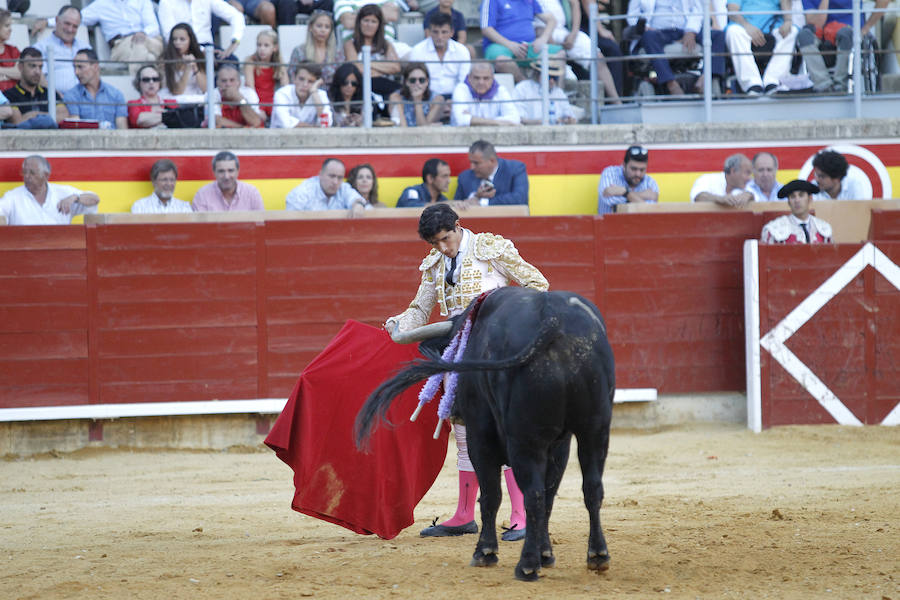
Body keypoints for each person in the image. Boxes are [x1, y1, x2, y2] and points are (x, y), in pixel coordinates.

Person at [384, 202, 549, 541]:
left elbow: (537, 284)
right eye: (435, 243)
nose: (443, 248)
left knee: (503, 432)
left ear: (458, 226)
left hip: (496, 354)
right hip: (457, 355)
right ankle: (464, 514)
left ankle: (520, 514)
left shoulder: (491, 249)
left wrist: (503, 317)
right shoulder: (434, 263)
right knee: (464, 436)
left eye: (446, 238)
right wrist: (397, 324)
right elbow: (420, 309)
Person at [626, 0, 727, 96]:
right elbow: (632, 15)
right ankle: (671, 84)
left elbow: (697, 8)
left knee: (718, 36)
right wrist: (645, 27)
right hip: (657, 31)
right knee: (648, 36)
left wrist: (691, 31)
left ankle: (705, 79)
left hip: (684, 29)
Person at [797, 0, 889, 92]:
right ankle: (823, 85)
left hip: (848, 30)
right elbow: (816, 23)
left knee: (845, 34)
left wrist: (866, 28)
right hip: (821, 33)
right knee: (803, 35)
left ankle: (840, 85)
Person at [0, 155, 100, 225]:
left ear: (46, 175)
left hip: (60, 250)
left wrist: (75, 198)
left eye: (32, 173)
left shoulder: (63, 192)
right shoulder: (12, 197)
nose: (27, 176)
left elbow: (95, 199)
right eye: (24, 172)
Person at [725, 0, 798, 95]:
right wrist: (747, 26)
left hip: (773, 28)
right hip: (744, 27)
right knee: (733, 31)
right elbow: (732, 10)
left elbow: (786, 3)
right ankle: (752, 84)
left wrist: (788, 21)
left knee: (792, 31)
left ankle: (773, 82)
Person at [480, 0, 563, 83]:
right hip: (500, 46)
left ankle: (558, 94)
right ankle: (525, 87)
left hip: (528, 46)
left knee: (561, 54)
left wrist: (543, 39)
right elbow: (486, 29)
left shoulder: (530, 1)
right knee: (502, 61)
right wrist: (510, 45)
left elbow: (551, 20)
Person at [81, 0, 164, 76]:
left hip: (148, 39)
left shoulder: (142, 1)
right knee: (150, 58)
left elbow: (153, 27)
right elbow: (78, 18)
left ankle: (140, 83)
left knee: (152, 47)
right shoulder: (101, 4)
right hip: (122, 44)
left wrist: (143, 34)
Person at [407, 13, 471, 100]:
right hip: (426, 97)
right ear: (429, 32)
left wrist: (455, 100)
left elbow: (464, 81)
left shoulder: (462, 51)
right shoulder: (418, 50)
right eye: (435, 32)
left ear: (452, 32)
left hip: (455, 97)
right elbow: (414, 80)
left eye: (444, 32)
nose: (440, 37)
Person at [343, 4, 401, 98]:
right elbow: (356, 69)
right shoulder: (350, 44)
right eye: (366, 20)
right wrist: (384, 69)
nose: (369, 25)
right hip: (361, 85)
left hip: (384, 85)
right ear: (359, 22)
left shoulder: (386, 44)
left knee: (401, 92)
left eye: (373, 21)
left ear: (379, 25)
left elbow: (396, 67)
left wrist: (367, 63)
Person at [3, 47, 69, 129]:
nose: (37, 72)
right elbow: (17, 122)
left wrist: (34, 115)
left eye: (40, 67)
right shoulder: (8, 95)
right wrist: (49, 116)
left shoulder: (50, 93)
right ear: (20, 67)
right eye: (32, 66)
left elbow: (64, 116)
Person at [158, 0, 245, 60]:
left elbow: (236, 16)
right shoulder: (166, 2)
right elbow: (169, 36)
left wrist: (235, 40)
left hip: (208, 47)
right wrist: (202, 51)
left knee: (230, 62)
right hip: (180, 48)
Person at [63, 49, 128, 129]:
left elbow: (122, 129)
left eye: (80, 67)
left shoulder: (116, 95)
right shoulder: (71, 95)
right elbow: (76, 128)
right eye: (75, 67)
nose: (76, 72)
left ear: (95, 67)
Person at [33, 5, 91, 94]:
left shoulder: (85, 47)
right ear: (56, 20)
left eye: (75, 26)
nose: (70, 29)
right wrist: (58, 97)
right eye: (67, 24)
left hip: (86, 100)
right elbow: (40, 80)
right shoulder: (41, 48)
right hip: (58, 102)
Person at [454, 139, 529, 206]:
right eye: (471, 162)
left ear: (492, 161)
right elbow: (456, 205)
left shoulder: (515, 169)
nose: (472, 167)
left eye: (476, 163)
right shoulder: (464, 178)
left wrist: (482, 203)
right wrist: (476, 196)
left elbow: (519, 199)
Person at [285, 157, 367, 215]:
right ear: (320, 174)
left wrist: (358, 205)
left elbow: (356, 198)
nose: (335, 182)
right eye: (332, 176)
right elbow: (291, 223)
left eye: (340, 177)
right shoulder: (302, 193)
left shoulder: (343, 188)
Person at [450, 61, 521, 127]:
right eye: (476, 78)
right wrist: (497, 122)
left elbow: (515, 118)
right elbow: (461, 120)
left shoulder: (500, 90)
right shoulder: (461, 89)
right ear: (469, 78)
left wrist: (473, 120)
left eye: (486, 78)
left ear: (493, 78)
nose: (481, 82)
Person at [761, 179, 833, 244]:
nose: (797, 200)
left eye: (801, 195)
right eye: (792, 196)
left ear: (810, 199)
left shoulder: (823, 228)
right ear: (789, 202)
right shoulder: (774, 229)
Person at [512, 58, 579, 124]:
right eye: (549, 77)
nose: (552, 81)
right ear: (538, 74)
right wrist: (541, 122)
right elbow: (518, 119)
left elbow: (571, 117)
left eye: (555, 77)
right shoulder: (522, 88)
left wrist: (567, 120)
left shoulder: (558, 92)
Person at [192, 151, 264, 211]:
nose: (226, 176)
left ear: (237, 171)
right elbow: (200, 227)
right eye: (221, 171)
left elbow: (261, 223)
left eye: (230, 170)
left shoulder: (251, 194)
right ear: (214, 172)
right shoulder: (202, 195)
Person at [597, 145, 660, 214]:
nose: (638, 174)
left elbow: (648, 211)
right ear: (624, 165)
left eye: (642, 170)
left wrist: (624, 192)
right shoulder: (610, 173)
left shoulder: (650, 183)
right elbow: (612, 202)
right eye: (633, 169)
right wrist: (642, 195)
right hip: (608, 224)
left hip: (638, 224)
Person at [287, 11, 342, 87]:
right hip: (305, 93)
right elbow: (292, 77)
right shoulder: (299, 51)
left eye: (327, 27)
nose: (323, 30)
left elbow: (341, 78)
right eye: (319, 26)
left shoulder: (337, 52)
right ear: (310, 27)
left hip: (331, 95)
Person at [243, 29, 289, 120]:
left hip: (271, 101)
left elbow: (285, 86)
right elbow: (250, 86)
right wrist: (257, 107)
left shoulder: (278, 63)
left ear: (275, 48)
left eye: (266, 45)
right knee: (260, 117)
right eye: (259, 45)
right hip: (255, 100)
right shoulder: (251, 62)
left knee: (282, 116)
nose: (262, 49)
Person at [271, 62, 332, 128]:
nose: (305, 84)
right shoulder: (282, 93)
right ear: (294, 78)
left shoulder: (320, 95)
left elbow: (327, 124)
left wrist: (314, 93)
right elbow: (286, 123)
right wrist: (313, 127)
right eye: (301, 79)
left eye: (310, 81)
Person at [389, 61, 445, 126]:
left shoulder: (437, 99)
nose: (417, 84)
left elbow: (423, 130)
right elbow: (402, 128)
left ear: (427, 82)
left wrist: (417, 101)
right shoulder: (396, 97)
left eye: (421, 80)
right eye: (413, 80)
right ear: (407, 82)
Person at [210, 62, 265, 128]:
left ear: (239, 82)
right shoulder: (213, 94)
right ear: (217, 83)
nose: (228, 84)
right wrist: (243, 128)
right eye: (224, 81)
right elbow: (217, 121)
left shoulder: (249, 93)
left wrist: (240, 99)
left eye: (232, 80)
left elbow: (255, 121)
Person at [161, 23, 207, 98]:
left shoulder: (199, 56)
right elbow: (177, 91)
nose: (177, 43)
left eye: (182, 39)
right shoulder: (165, 59)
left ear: (190, 40)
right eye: (174, 39)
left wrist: (195, 67)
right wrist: (188, 68)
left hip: (196, 102)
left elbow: (206, 89)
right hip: (174, 102)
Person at [128, 64, 177, 128]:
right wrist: (168, 116)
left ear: (160, 82)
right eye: (146, 79)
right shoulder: (133, 104)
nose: (151, 82)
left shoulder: (171, 102)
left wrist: (154, 117)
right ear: (138, 83)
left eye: (155, 79)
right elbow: (140, 120)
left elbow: (179, 119)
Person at [0, 9, 21, 92]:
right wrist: (10, 74)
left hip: (15, 95)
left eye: (10, 26)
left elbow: (20, 73)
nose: (10, 29)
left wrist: (1, 71)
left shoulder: (13, 50)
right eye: (7, 26)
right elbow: (15, 73)